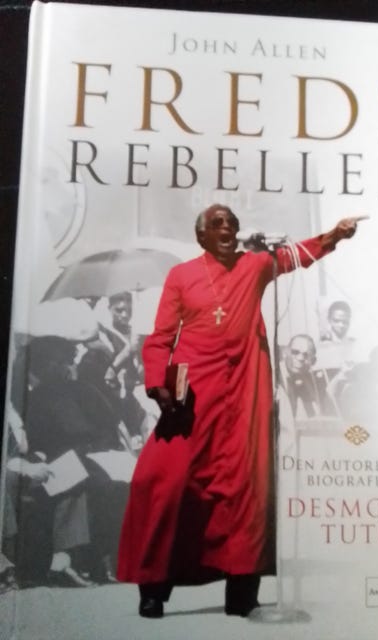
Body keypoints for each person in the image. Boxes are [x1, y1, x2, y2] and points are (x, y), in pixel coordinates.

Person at [117, 204, 363, 618]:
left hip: (247, 386)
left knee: (246, 485)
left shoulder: (255, 265)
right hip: (195, 391)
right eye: (217, 224)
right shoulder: (181, 275)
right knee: (165, 481)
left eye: (231, 223)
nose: (227, 229)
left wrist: (336, 234)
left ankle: (242, 590)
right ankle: (153, 586)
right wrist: (158, 383)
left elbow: (298, 255)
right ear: (201, 236)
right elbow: (160, 338)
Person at [279, 334, 334, 420]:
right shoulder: (271, 377)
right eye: (295, 352)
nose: (300, 358)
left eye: (306, 355)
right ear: (285, 353)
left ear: (313, 361)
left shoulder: (314, 383)